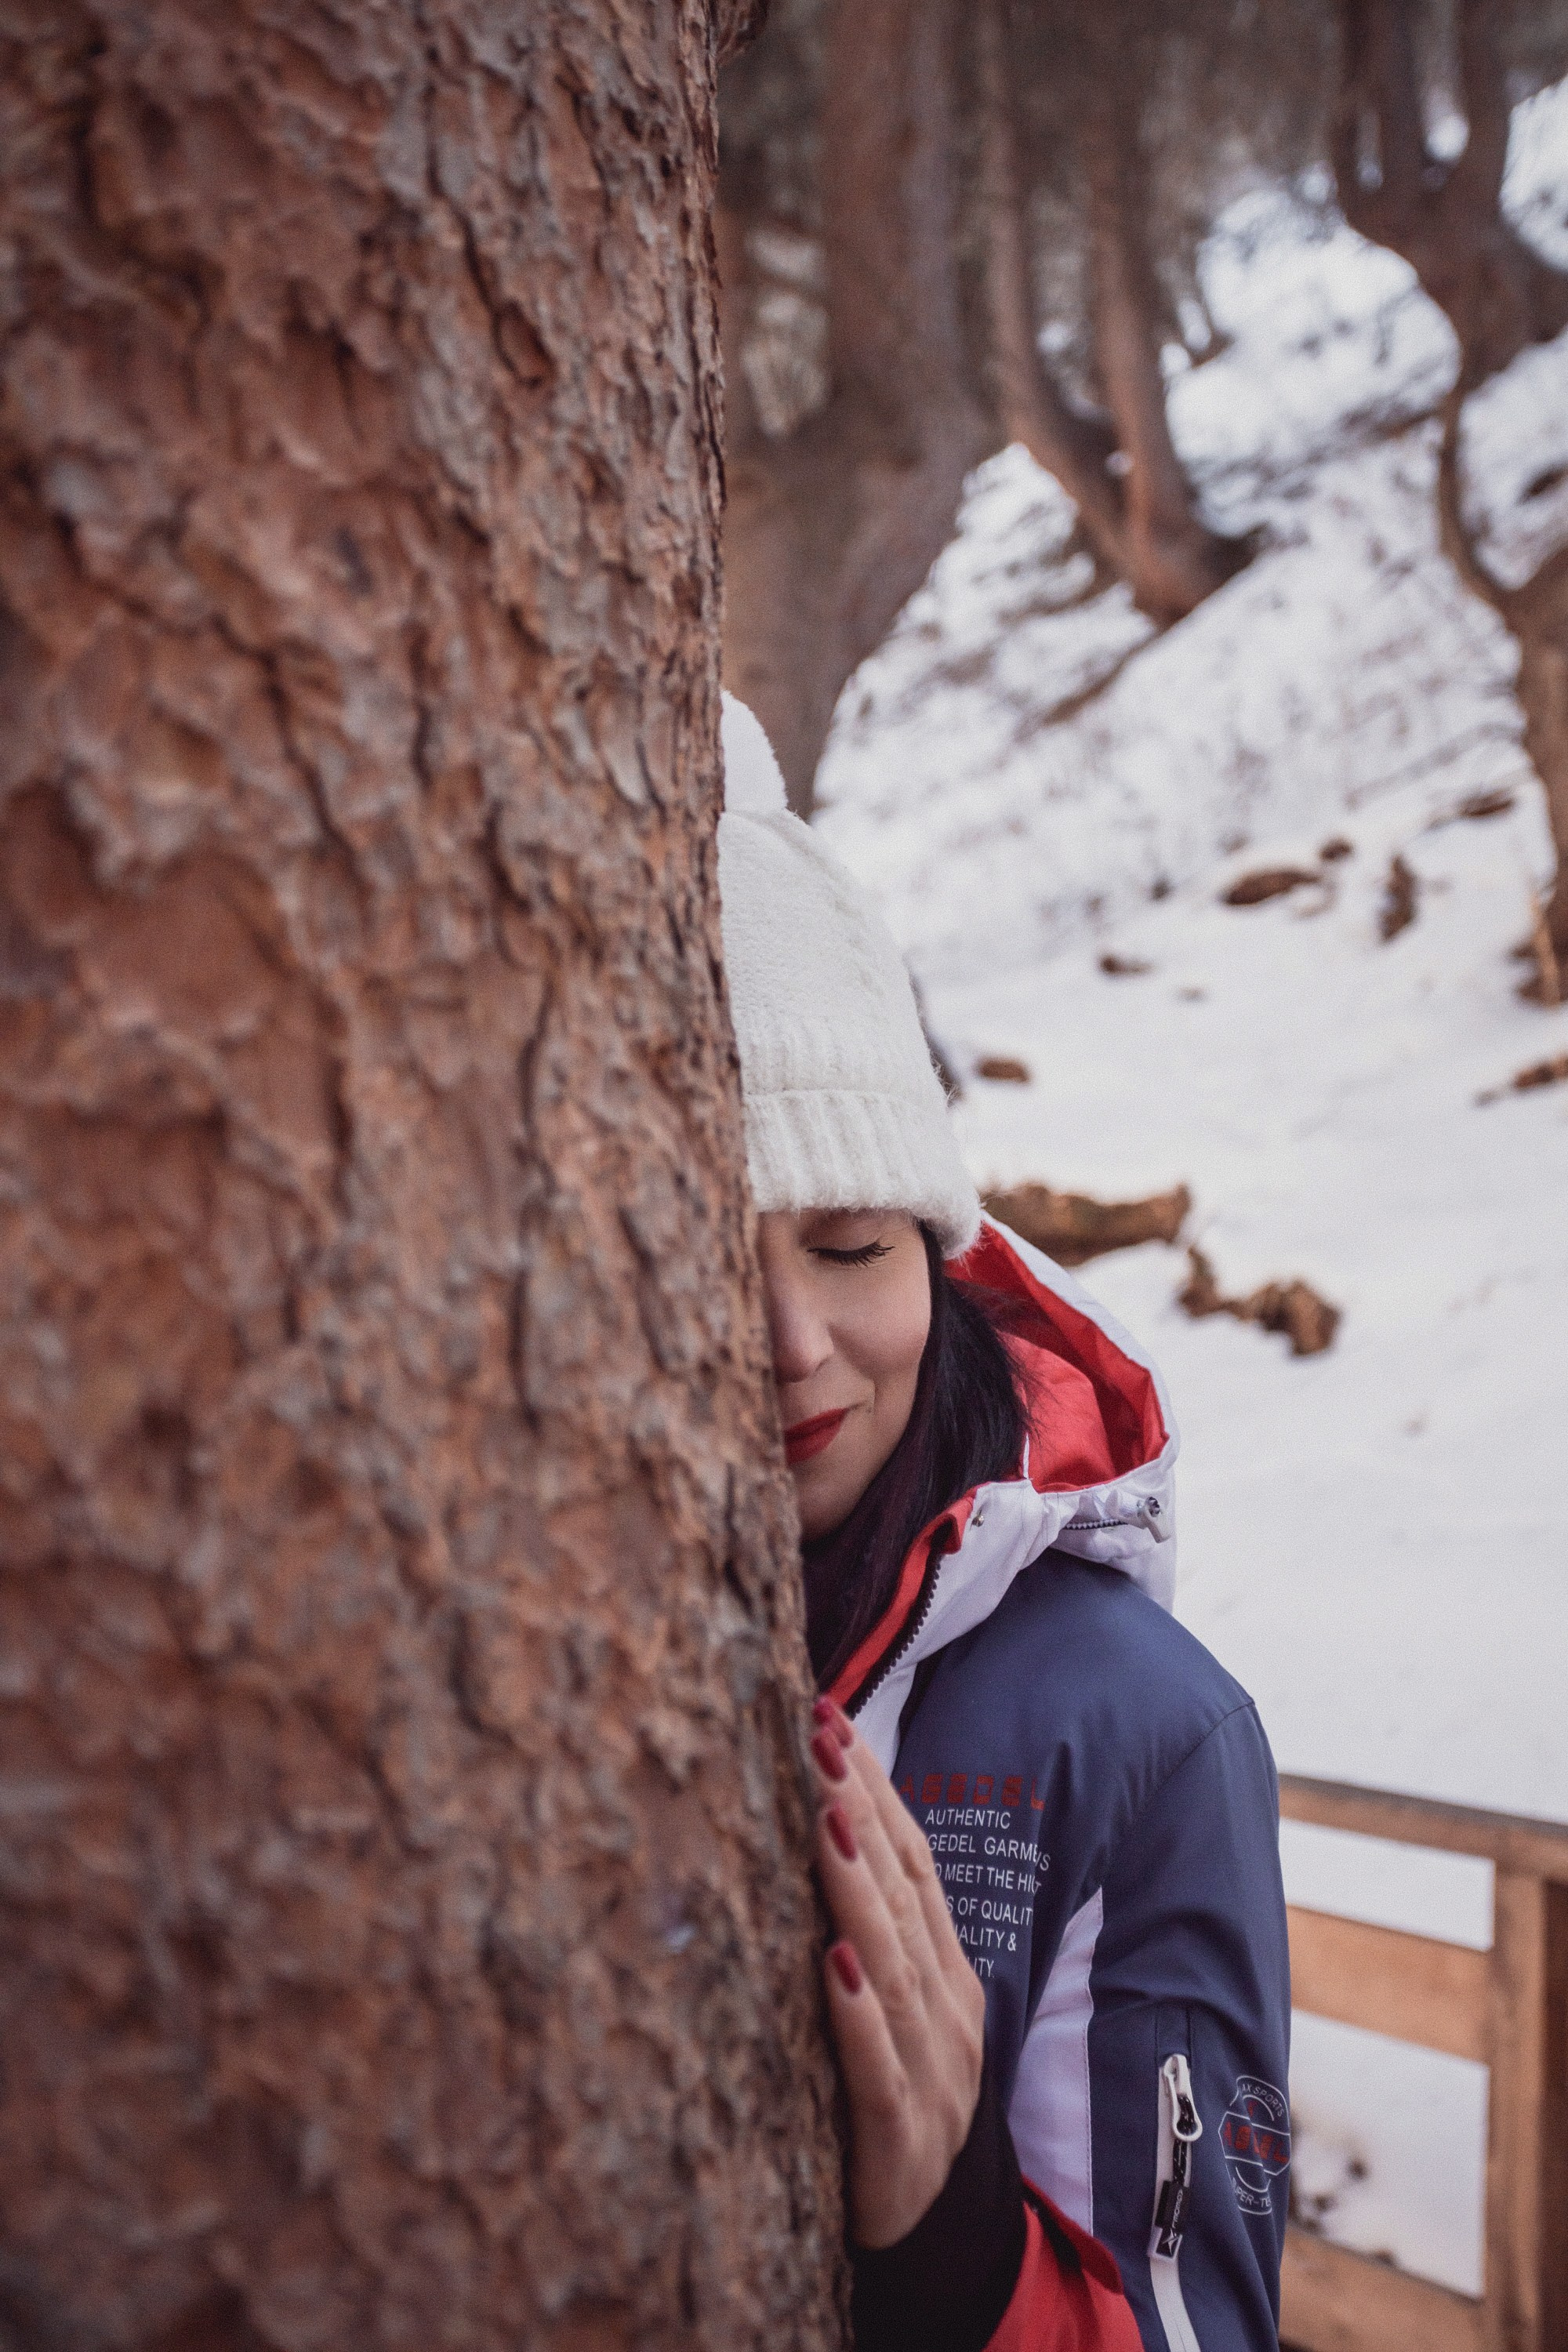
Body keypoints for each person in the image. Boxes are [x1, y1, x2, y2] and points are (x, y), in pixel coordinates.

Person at [717, 695, 1292, 2352]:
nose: (790, 1344)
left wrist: (958, 2255)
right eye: (702, 1253)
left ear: (939, 1258)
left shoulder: (1141, 1734)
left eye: (851, 1247)